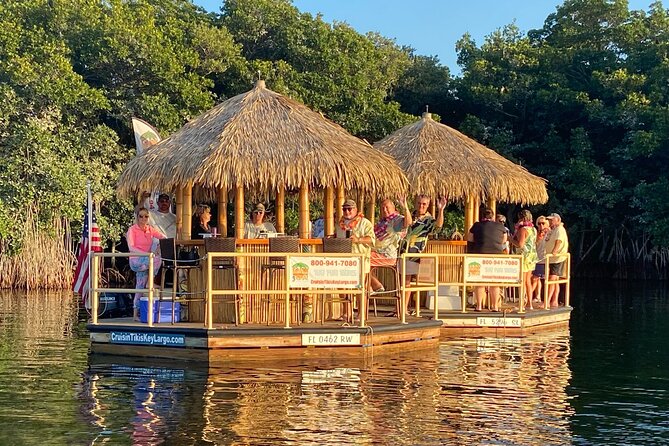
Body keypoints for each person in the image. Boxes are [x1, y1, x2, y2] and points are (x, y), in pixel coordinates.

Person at [400, 195, 447, 315]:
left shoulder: (428, 220)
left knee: (406, 281)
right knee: (401, 281)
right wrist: (405, 206)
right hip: (401, 251)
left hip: (414, 253)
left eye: (424, 204)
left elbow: (438, 227)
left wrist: (441, 210)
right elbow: (408, 224)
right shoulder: (411, 214)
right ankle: (399, 308)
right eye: (419, 203)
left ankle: (403, 308)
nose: (421, 206)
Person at [127, 207, 166, 321]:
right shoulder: (132, 230)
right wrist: (146, 254)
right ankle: (151, 282)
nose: (143, 218)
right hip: (136, 260)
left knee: (139, 286)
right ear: (137, 217)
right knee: (155, 259)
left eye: (146, 216)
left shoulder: (150, 229)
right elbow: (131, 247)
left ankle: (135, 314)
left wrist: (159, 246)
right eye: (141, 216)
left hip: (148, 261)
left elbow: (163, 237)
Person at [467, 208, 507, 312]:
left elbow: (470, 239)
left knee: (480, 281)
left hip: (480, 255)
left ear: (482, 217)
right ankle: (495, 306)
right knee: (495, 282)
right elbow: (504, 240)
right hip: (496, 257)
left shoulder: (476, 225)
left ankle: (479, 306)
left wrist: (471, 251)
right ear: (493, 217)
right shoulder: (500, 226)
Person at [369, 197, 411, 294]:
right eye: (382, 208)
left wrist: (405, 208)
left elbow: (408, 223)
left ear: (393, 208)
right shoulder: (383, 222)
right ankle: (369, 286)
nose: (384, 210)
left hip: (387, 255)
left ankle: (374, 285)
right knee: (361, 259)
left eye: (387, 207)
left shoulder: (395, 220)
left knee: (361, 259)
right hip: (377, 253)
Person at [335, 199, 375, 271]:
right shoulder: (340, 223)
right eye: (344, 209)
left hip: (360, 260)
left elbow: (371, 240)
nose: (347, 211)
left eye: (349, 209)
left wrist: (358, 240)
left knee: (361, 282)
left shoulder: (365, 223)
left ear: (355, 209)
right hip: (343, 261)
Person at [510, 209, 538, 310]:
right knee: (528, 281)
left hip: (524, 256)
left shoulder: (523, 229)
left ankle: (522, 303)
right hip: (532, 256)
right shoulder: (534, 229)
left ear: (521, 218)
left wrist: (510, 240)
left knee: (522, 280)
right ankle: (529, 304)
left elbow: (520, 244)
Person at [544, 213, 569, 308]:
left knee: (552, 279)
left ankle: (547, 301)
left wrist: (554, 251)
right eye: (549, 220)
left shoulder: (559, 229)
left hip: (557, 258)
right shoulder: (553, 230)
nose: (550, 222)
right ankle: (554, 301)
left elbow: (559, 241)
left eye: (552, 220)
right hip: (552, 259)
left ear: (558, 220)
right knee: (555, 280)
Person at [530, 215, 550, 303]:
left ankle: (528, 295)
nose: (541, 225)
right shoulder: (535, 232)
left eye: (543, 223)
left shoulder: (550, 232)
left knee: (535, 278)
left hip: (544, 259)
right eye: (539, 223)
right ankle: (537, 296)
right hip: (536, 258)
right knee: (536, 279)